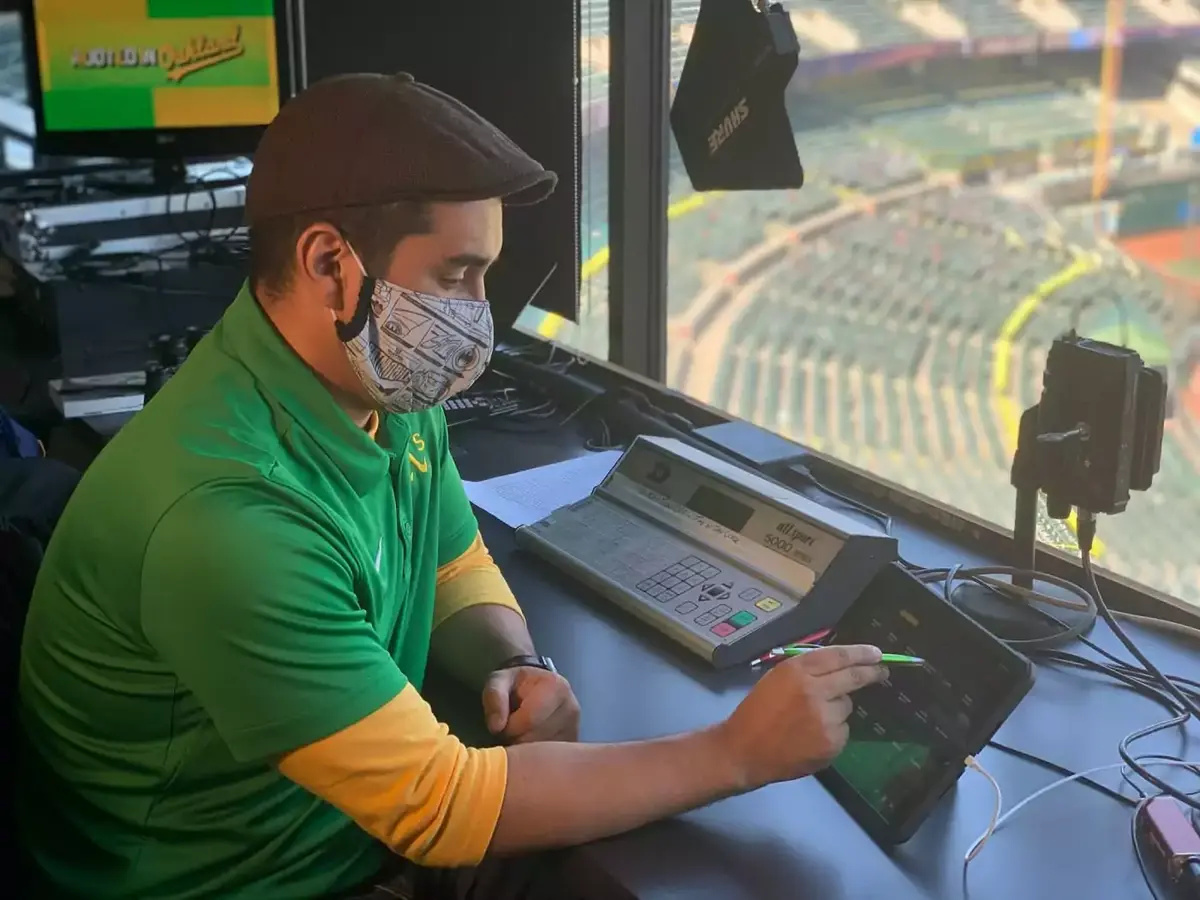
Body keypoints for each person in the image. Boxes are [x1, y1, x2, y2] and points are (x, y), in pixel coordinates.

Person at [17, 73, 887, 900]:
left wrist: (511, 660)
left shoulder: (376, 385)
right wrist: (736, 753)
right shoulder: (226, 519)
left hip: (337, 833)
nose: (477, 315)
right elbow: (441, 808)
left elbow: (447, 553)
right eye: (455, 276)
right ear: (330, 265)